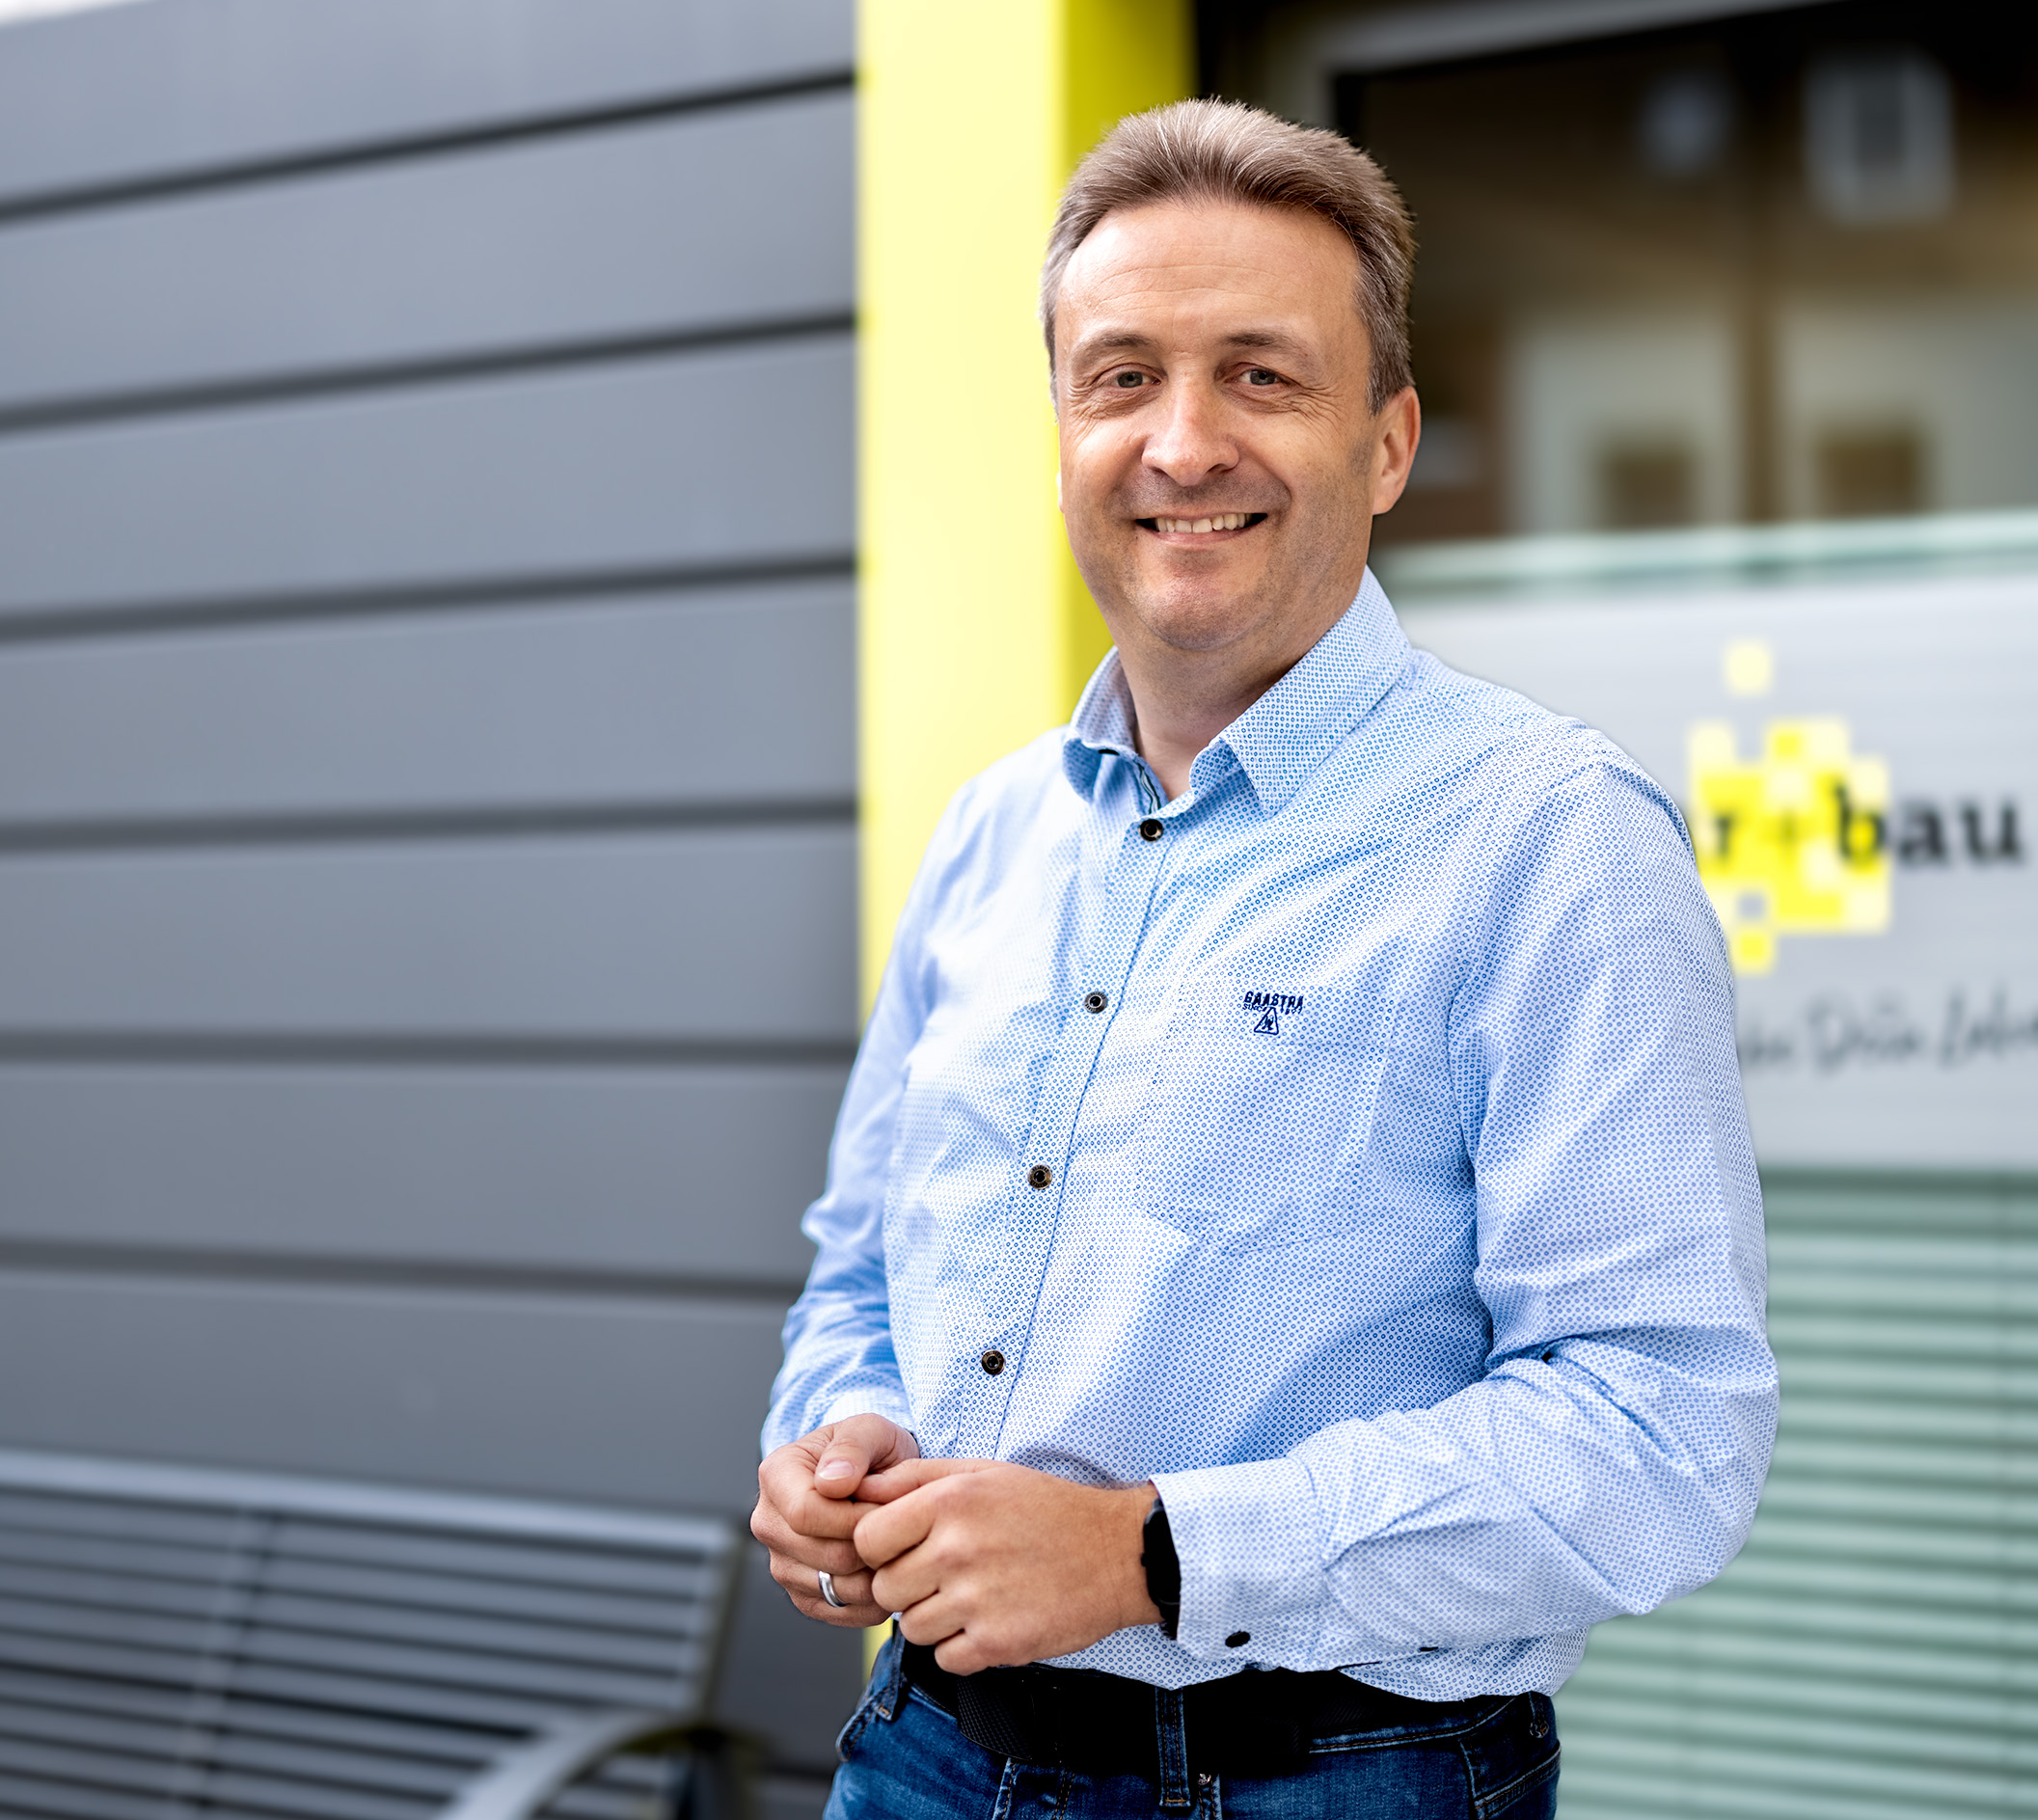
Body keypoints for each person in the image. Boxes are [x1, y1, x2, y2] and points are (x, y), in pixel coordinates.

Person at [751, 100, 1775, 1820]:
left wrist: (1153, 1554)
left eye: (1261, 376)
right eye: (1121, 377)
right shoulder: (992, 834)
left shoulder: (1548, 838)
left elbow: (1659, 1429)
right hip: (926, 1751)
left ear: (1388, 444)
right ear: (1064, 433)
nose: (1181, 443)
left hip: (1327, 1779)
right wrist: (836, 1435)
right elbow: (858, 1270)